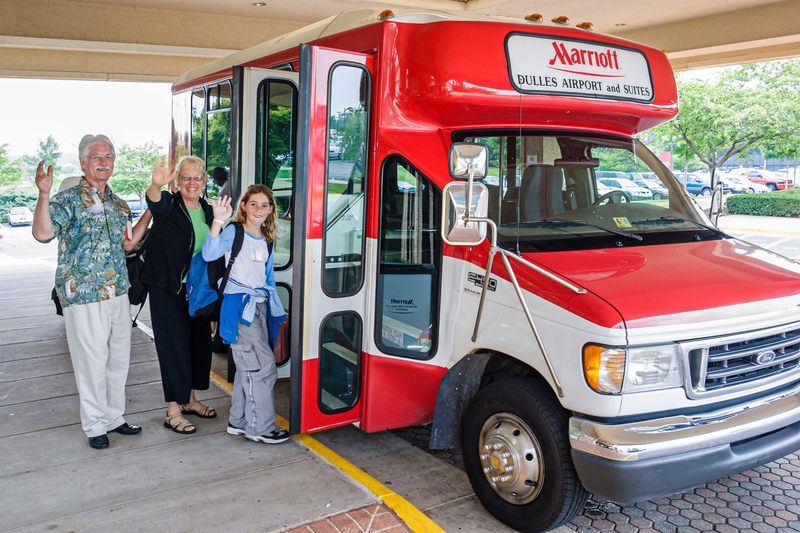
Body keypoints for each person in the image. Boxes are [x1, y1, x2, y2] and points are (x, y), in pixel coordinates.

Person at [32, 134, 142, 450]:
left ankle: (114, 418)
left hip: (117, 290)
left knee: (118, 359)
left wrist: (157, 207)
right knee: (91, 360)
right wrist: (43, 194)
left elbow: (127, 243)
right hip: (83, 293)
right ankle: (95, 424)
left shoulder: (118, 203)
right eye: (96, 156)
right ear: (83, 162)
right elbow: (42, 233)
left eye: (108, 156)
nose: (104, 161)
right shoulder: (66, 200)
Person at [202, 185, 289, 444]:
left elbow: (268, 277)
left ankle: (238, 421)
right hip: (240, 307)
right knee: (262, 367)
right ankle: (260, 427)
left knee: (246, 368)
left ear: (271, 209)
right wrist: (218, 220)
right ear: (243, 206)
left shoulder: (267, 238)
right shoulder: (234, 231)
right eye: (253, 204)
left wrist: (274, 308)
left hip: (260, 306)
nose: (259, 209)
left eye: (264, 205)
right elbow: (209, 253)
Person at [142, 156, 218, 435]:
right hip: (167, 288)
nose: (192, 182)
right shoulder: (169, 206)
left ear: (204, 181)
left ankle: (190, 400)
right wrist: (155, 184)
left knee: (198, 345)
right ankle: (173, 410)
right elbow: (154, 200)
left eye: (197, 177)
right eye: (186, 177)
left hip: (197, 290)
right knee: (173, 347)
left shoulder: (209, 209)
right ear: (177, 180)